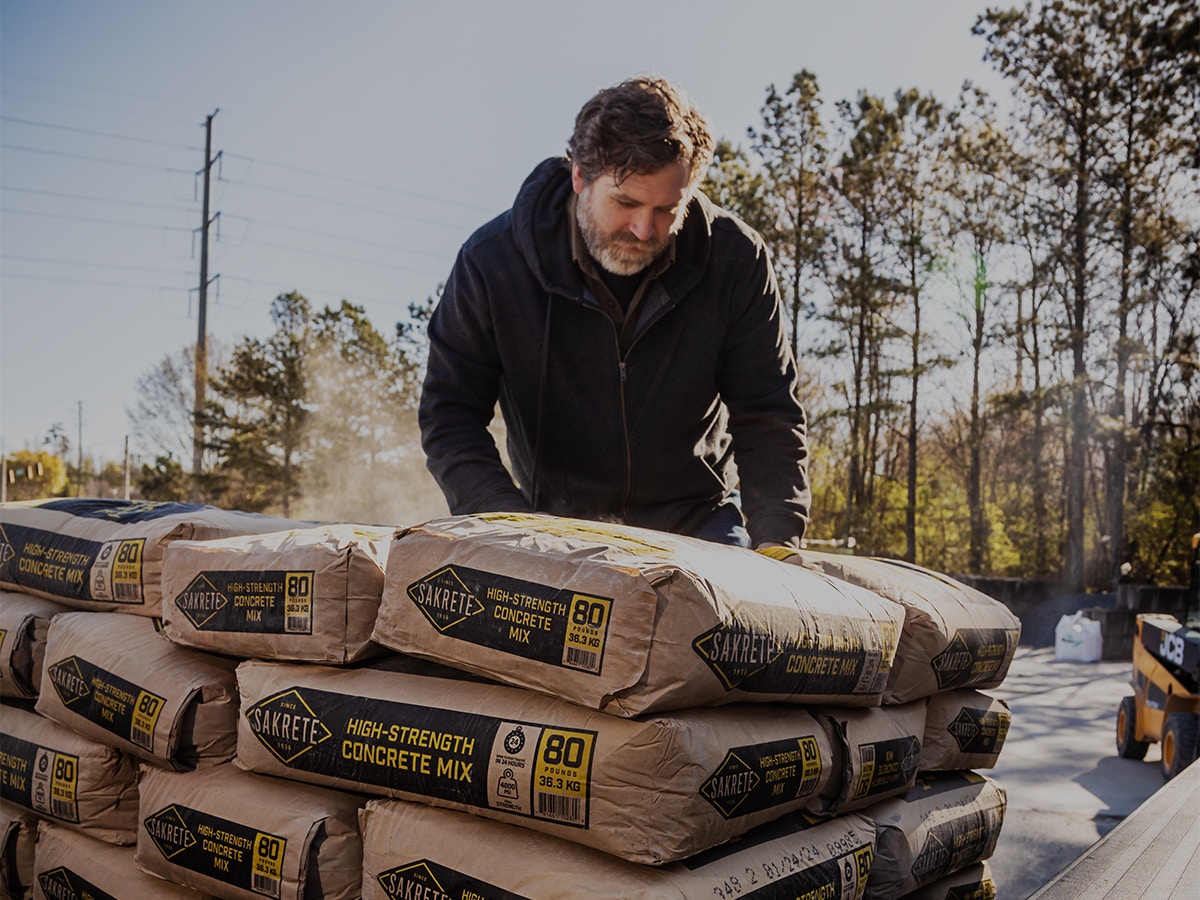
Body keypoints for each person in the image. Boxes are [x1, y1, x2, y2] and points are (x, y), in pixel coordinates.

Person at [419, 76, 810, 549]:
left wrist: (777, 544)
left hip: (697, 519)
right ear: (579, 177)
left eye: (669, 208)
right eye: (625, 202)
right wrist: (509, 528)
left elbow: (767, 413)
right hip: (548, 525)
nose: (645, 229)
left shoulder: (737, 261)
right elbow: (451, 415)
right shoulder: (491, 262)